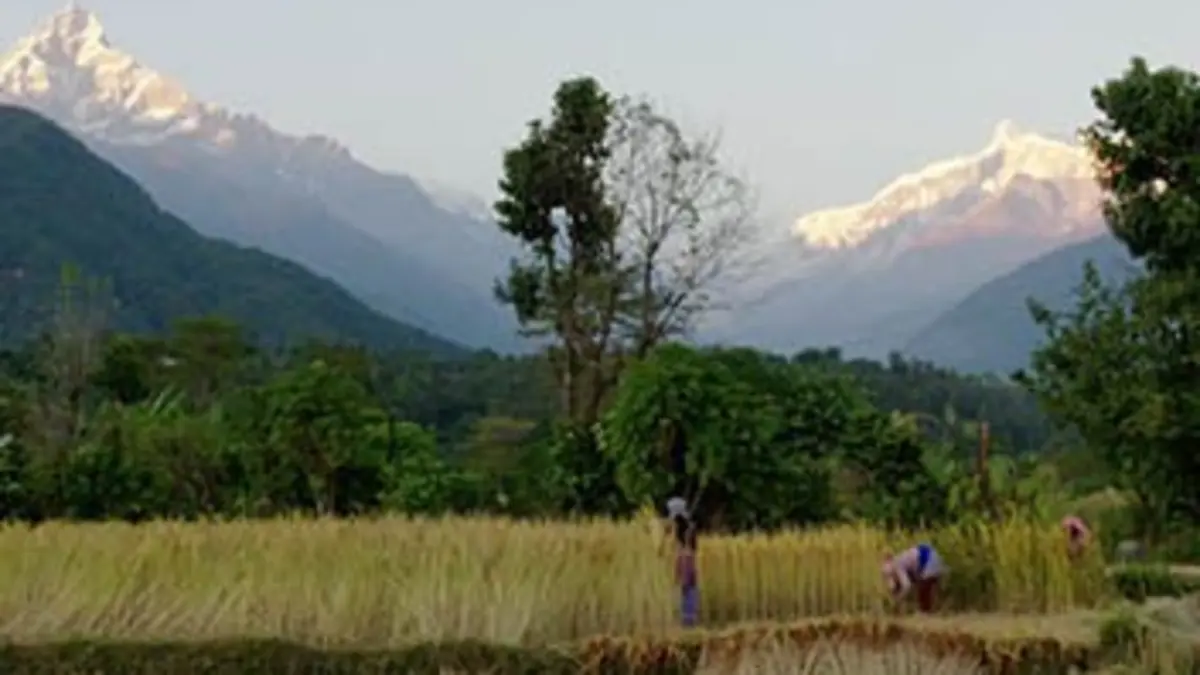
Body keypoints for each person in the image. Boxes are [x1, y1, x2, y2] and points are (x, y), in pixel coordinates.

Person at [882, 542, 945, 613]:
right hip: (934, 559)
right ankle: (929, 612)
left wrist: (898, 598)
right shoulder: (900, 559)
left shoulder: (897, 565)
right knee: (926, 590)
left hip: (928, 561)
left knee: (923, 592)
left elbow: (906, 586)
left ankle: (925, 613)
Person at [667, 497, 699, 627]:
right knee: (690, 588)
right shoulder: (690, 526)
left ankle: (686, 619)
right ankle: (689, 619)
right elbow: (695, 546)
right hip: (690, 559)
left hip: (683, 558)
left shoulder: (678, 527)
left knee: (684, 588)